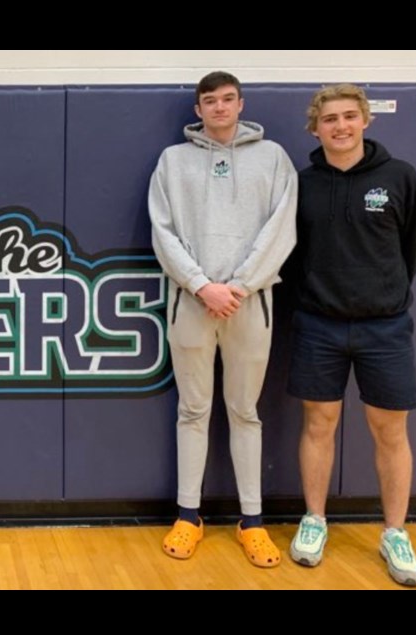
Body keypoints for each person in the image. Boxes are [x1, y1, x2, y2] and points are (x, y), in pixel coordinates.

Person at [149, 71, 298, 567]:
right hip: (191, 302)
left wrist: (240, 285)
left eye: (227, 99)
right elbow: (163, 232)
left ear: (241, 104)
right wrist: (201, 285)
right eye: (209, 101)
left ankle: (251, 522)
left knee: (244, 412)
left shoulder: (273, 159)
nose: (218, 108)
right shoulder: (173, 161)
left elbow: (282, 229)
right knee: (192, 411)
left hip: (248, 303)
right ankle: (188, 516)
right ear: (197, 110)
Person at [287, 84, 416, 586]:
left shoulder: (400, 177)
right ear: (315, 127)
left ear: (366, 120)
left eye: (349, 116)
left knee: (391, 432)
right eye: (330, 119)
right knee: (318, 424)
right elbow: (292, 256)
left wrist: (379, 297)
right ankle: (315, 519)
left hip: (384, 328)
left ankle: (394, 532)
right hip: (317, 324)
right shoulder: (302, 183)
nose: (340, 126)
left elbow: (410, 251)